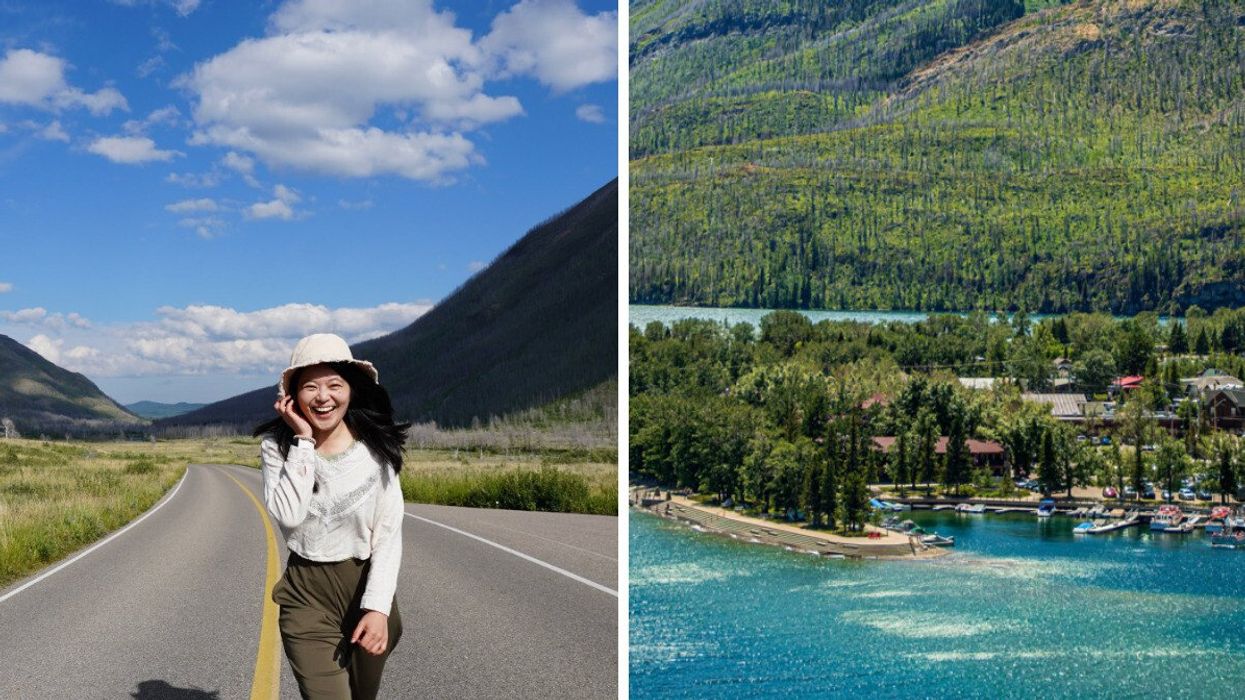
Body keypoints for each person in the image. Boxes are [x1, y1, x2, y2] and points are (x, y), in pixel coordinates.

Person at [254, 333, 409, 699]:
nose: (323, 397)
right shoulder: (278, 448)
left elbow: (388, 536)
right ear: (293, 397)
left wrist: (377, 608)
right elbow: (289, 515)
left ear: (351, 390)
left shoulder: (376, 449)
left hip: (365, 589)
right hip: (306, 595)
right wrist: (303, 441)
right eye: (310, 387)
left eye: (334, 385)